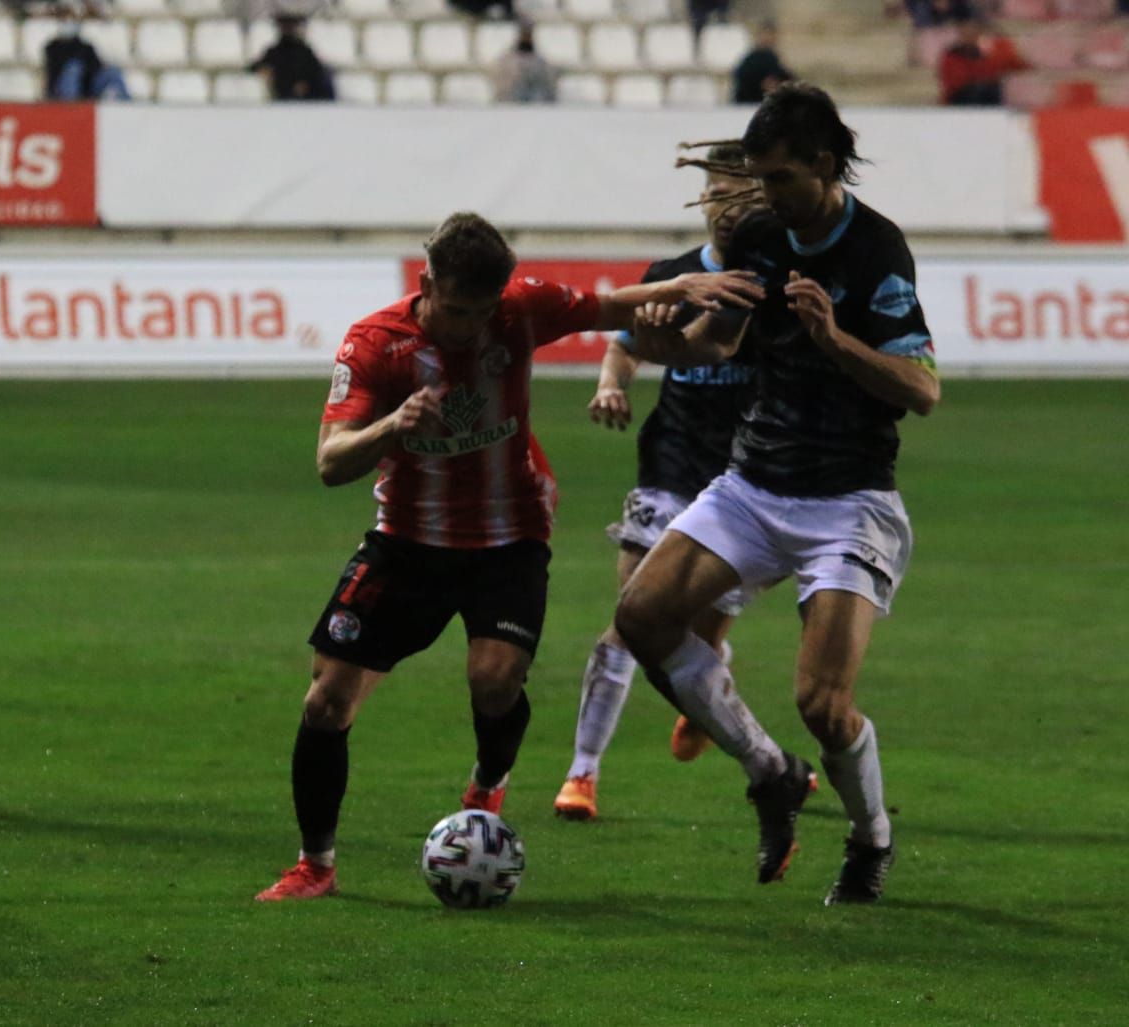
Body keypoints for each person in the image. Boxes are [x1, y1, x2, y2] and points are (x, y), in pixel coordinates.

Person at [254, 212, 764, 901]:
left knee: (494, 681)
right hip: (406, 540)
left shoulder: (521, 310)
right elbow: (329, 460)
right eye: (456, 310)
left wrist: (693, 283)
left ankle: (488, 784)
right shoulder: (374, 343)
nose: (468, 326)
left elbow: (607, 305)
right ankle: (316, 863)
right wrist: (392, 425)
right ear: (427, 282)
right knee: (326, 702)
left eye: (482, 311)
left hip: (508, 537)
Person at [613, 83, 940, 905]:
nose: (765, 196)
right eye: (757, 178)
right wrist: (656, 336)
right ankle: (769, 771)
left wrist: (834, 338)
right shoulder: (763, 235)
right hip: (754, 484)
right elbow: (714, 342)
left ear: (826, 166)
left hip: (849, 500)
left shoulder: (876, 252)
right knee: (640, 616)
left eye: (781, 178)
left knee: (824, 705)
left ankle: (871, 838)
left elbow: (922, 388)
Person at [552, 142, 774, 822]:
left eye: (742, 196)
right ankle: (581, 773)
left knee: (700, 643)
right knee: (628, 620)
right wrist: (611, 386)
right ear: (702, 200)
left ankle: (730, 727)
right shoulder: (673, 277)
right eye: (718, 194)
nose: (727, 207)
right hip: (670, 466)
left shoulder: (778, 283)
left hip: (746, 483)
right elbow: (623, 343)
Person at [938, 16, 1027, 107]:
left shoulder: (986, 52)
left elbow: (1011, 65)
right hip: (959, 95)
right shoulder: (953, 54)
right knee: (980, 90)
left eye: (973, 31)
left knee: (992, 88)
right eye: (966, 31)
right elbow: (954, 83)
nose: (970, 34)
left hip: (983, 92)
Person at [249, 15, 334, 102]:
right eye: (285, 26)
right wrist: (264, 70)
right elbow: (254, 67)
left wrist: (305, 84)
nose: (288, 30)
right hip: (283, 93)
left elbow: (316, 70)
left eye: (290, 26)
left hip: (307, 93)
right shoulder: (274, 51)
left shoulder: (304, 50)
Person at [493, 22, 557, 104]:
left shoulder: (541, 62)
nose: (526, 37)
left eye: (528, 34)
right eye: (524, 34)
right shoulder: (506, 60)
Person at [731, 21, 793, 105]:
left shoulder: (773, 58)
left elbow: (786, 78)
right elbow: (742, 79)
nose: (768, 38)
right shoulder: (751, 59)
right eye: (766, 35)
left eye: (771, 35)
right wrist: (761, 84)